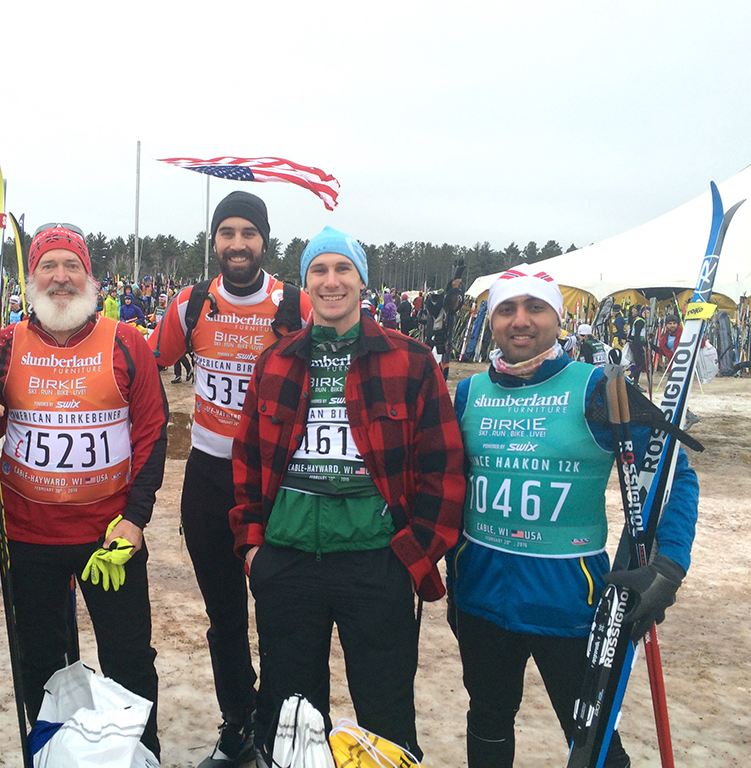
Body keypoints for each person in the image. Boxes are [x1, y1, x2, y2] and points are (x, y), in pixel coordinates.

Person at [230, 227, 466, 765]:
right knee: (291, 722)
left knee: (386, 715)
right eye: (319, 270)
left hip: (376, 563)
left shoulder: (411, 360)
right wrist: (253, 549)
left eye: (343, 269)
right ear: (305, 282)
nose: (331, 281)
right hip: (288, 563)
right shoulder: (275, 361)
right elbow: (247, 460)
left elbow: (444, 468)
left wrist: (413, 556)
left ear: (362, 281)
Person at [447, 264, 698, 768]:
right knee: (488, 717)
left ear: (558, 319)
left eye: (535, 307)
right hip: (480, 596)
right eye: (506, 309)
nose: (521, 320)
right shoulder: (470, 393)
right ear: (491, 321)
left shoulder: (598, 388)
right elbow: (449, 481)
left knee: (593, 741)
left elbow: (673, 475)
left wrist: (669, 565)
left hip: (571, 601)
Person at [0, 223, 166, 758]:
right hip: (29, 538)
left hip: (108, 537)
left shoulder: (126, 341)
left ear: (89, 276)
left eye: (71, 265)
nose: (60, 276)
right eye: (47, 266)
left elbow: (151, 431)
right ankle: (55, 753)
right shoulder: (5, 345)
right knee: (42, 662)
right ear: (31, 279)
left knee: (128, 658)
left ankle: (140, 754)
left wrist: (135, 519)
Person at [146, 191, 312, 768]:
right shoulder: (191, 303)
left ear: (264, 241)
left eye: (248, 233)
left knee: (281, 612)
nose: (237, 244)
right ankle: (239, 722)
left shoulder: (297, 304)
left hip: (276, 481)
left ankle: (279, 729)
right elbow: (143, 365)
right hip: (208, 475)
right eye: (227, 232)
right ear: (214, 240)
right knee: (225, 615)